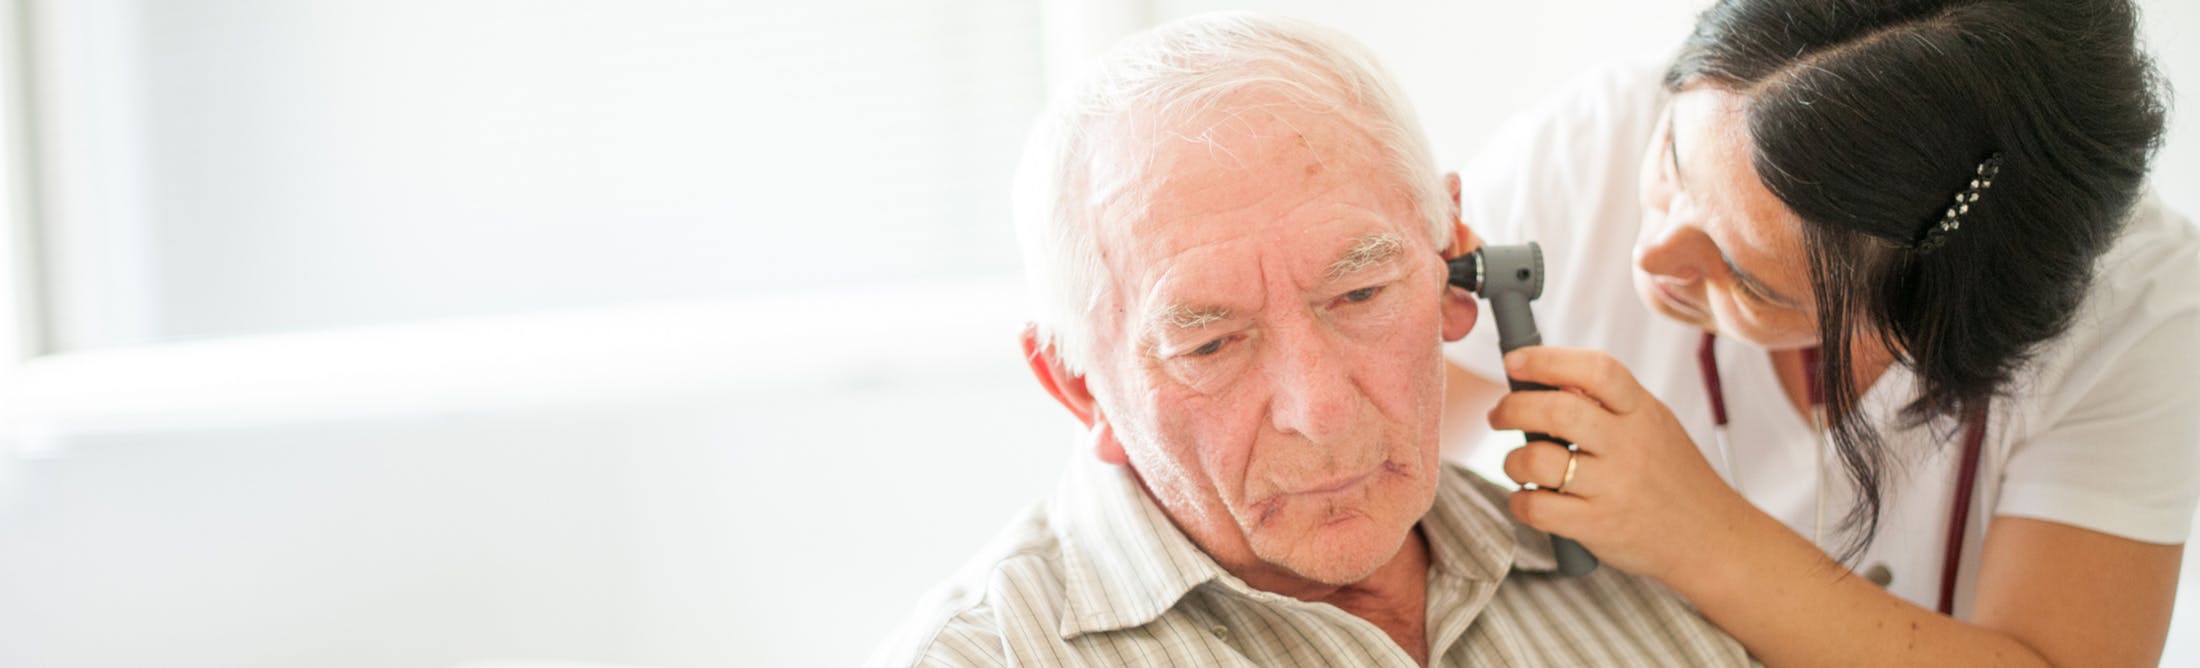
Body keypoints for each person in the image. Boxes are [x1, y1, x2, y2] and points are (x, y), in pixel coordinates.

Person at [871, 12, 1752, 667]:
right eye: (1211, 345)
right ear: (1079, 389)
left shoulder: (1641, 577)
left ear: (1452, 265)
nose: (1321, 412)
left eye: (1361, 292)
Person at [1443, 0, 2198, 666]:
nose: (1652, 253)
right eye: (1673, 158)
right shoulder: (1590, 144)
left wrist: (1703, 533)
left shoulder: (2135, 314)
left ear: (1925, 323)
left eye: (1747, 277)